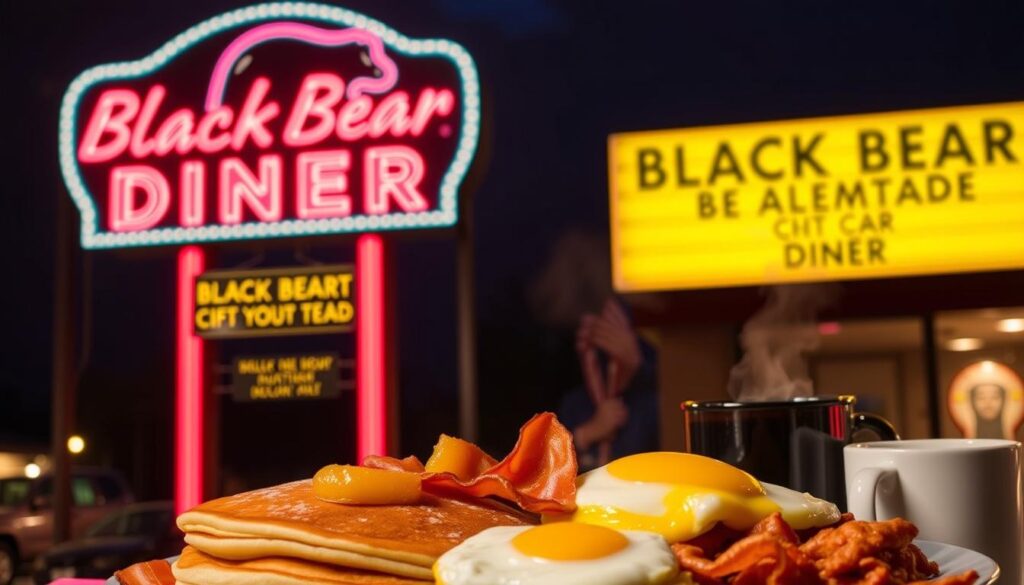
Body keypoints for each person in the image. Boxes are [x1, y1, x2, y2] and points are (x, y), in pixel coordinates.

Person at [558, 299, 659, 470]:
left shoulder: (650, 401)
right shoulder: (574, 404)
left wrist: (639, 368)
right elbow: (554, 464)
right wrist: (588, 432)